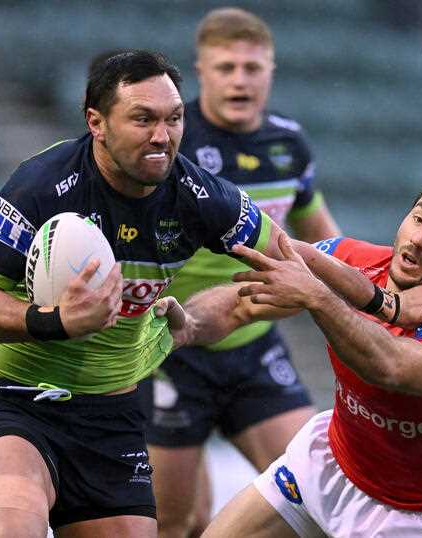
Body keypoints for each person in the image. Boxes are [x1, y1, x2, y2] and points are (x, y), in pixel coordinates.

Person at [0, 49, 295, 538]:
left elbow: (295, 263)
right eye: (143, 119)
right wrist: (54, 320)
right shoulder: (42, 185)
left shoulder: (200, 196)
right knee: (12, 528)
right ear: (97, 123)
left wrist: (384, 295)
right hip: (17, 401)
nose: (162, 136)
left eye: (174, 119)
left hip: (111, 416)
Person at [161, 171, 422, 537]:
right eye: (419, 217)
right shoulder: (352, 261)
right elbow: (240, 305)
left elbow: (389, 366)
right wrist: (187, 327)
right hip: (325, 462)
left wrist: (318, 296)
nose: (418, 238)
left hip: (402, 514)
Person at [135, 8, 341, 537]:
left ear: (270, 71)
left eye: (252, 68)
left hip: (254, 350)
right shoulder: (169, 144)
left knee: (324, 506)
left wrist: (389, 299)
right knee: (177, 522)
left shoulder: (288, 145)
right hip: (171, 351)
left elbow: (326, 243)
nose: (240, 80)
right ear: (201, 72)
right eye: (225, 68)